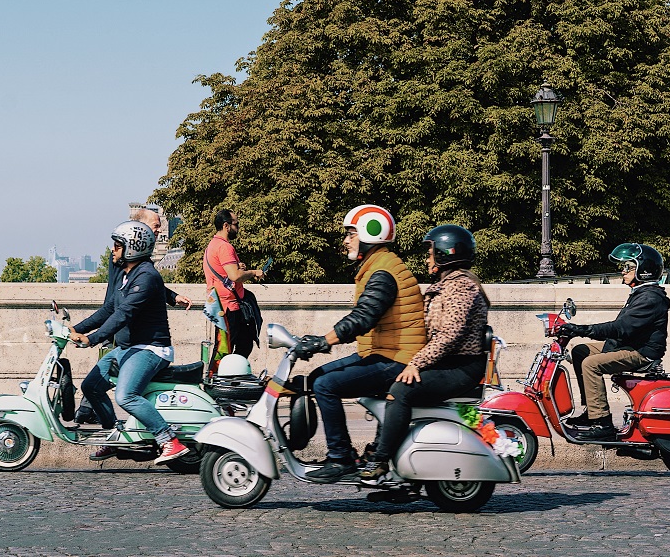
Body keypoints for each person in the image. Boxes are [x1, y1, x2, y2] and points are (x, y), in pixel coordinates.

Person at [296, 204, 426, 484]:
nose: (345, 240)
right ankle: (352, 454)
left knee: (324, 385)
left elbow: (363, 317)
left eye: (351, 234)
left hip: (398, 359)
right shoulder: (379, 265)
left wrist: (324, 341)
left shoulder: (382, 272)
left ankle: (340, 458)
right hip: (386, 351)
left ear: (371, 234)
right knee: (318, 376)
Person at [359, 225, 490, 482]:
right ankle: (386, 453)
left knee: (401, 390)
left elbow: (448, 336)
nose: (427, 257)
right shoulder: (446, 285)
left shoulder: (461, 288)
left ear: (445, 253)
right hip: (446, 363)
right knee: (389, 379)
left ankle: (380, 460)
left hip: (461, 368)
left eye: (431, 251)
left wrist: (416, 364)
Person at [69, 221, 190, 464]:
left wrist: (91, 339)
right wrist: (75, 328)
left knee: (126, 395)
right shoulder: (127, 275)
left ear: (132, 247)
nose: (113, 250)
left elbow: (124, 314)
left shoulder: (146, 276)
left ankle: (169, 440)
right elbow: (108, 310)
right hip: (128, 348)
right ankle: (115, 437)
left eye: (117, 245)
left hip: (151, 349)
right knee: (91, 386)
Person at [557, 243, 670, 441]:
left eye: (628, 267)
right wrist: (577, 332)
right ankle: (591, 411)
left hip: (641, 352)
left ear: (643, 271)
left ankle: (602, 423)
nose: (623, 271)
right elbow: (621, 330)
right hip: (629, 344)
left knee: (591, 364)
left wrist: (582, 329)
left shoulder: (650, 298)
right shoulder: (641, 293)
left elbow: (619, 328)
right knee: (581, 351)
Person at [203, 209, 265, 361]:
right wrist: (253, 272)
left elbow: (227, 273)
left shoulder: (213, 245)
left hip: (223, 305)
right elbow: (235, 276)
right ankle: (216, 379)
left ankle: (231, 375)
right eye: (236, 224)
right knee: (224, 350)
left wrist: (238, 267)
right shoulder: (225, 247)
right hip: (228, 308)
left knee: (244, 343)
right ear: (226, 226)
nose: (238, 228)